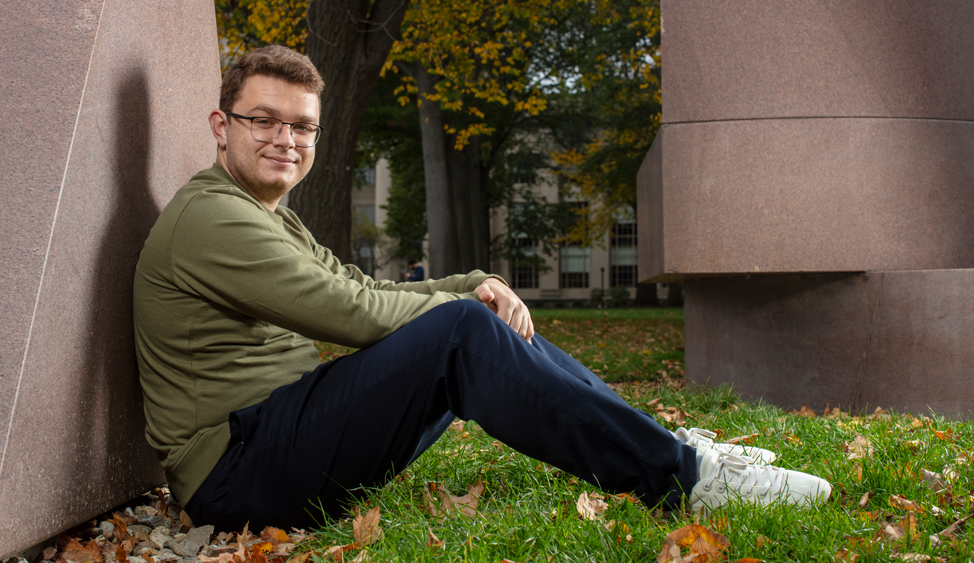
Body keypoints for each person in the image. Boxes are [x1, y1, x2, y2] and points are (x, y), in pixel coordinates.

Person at [133, 45, 831, 531]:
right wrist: (466, 306)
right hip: (235, 472)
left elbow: (350, 280)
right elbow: (348, 310)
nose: (286, 138)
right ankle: (685, 479)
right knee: (462, 331)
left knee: (470, 321)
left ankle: (673, 449)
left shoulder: (264, 213)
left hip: (276, 435)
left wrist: (476, 281)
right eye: (264, 120)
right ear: (222, 127)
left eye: (303, 126)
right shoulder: (213, 219)